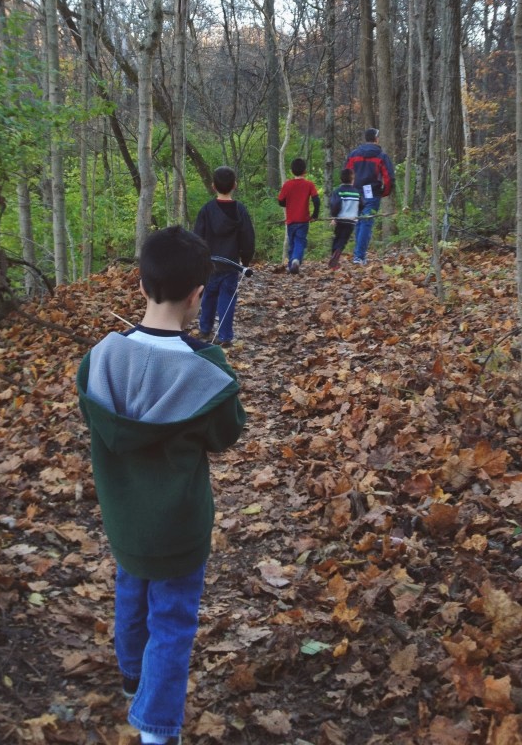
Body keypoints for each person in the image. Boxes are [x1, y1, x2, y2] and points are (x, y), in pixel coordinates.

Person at [76, 226, 246, 745]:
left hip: (125, 521)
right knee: (172, 622)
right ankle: (156, 727)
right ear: (198, 295)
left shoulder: (101, 359)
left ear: (142, 284)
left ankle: (132, 679)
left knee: (131, 593)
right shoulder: (207, 371)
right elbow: (226, 435)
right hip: (179, 527)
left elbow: (101, 421)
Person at [193, 166, 255, 347]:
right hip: (230, 264)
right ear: (235, 185)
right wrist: (246, 259)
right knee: (227, 298)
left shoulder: (206, 210)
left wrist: (198, 260)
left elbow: (197, 237)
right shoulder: (240, 210)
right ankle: (225, 336)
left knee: (209, 296)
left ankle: (205, 329)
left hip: (210, 264)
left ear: (213, 186)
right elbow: (248, 237)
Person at [345, 128, 394, 264]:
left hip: (355, 193)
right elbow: (389, 178)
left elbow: (346, 173)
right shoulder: (381, 156)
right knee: (365, 223)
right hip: (372, 194)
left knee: (360, 222)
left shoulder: (353, 155)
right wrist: (385, 192)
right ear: (376, 139)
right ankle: (359, 256)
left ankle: (358, 255)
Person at [277, 157, 320, 273]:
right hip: (303, 220)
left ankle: (292, 264)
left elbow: (280, 201)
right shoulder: (309, 185)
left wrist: (289, 203)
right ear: (305, 171)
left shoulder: (287, 185)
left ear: (291, 171)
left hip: (291, 220)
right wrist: (315, 215)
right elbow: (316, 200)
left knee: (292, 242)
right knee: (300, 241)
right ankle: (295, 261)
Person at [328, 168, 361, 269]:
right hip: (351, 220)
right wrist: (358, 212)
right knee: (343, 239)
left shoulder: (338, 191)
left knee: (337, 237)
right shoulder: (356, 192)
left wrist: (334, 217)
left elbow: (335, 204)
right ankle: (337, 254)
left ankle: (334, 255)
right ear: (352, 179)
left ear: (341, 179)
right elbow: (362, 204)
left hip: (340, 219)